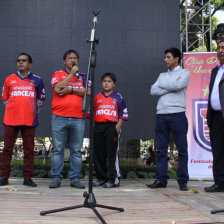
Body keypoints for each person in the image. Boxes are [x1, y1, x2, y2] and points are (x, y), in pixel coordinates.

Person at [146, 48, 190, 191]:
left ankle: (182, 180)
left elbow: (178, 85)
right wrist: (171, 86)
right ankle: (161, 180)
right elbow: (153, 90)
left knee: (182, 148)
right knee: (161, 150)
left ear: (176, 59)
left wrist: (164, 85)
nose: (165, 59)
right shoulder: (162, 75)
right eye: (165, 57)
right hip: (161, 114)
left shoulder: (185, 73)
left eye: (168, 57)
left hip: (177, 114)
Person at [0, 53, 45, 187]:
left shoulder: (37, 80)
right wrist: (15, 110)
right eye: (18, 60)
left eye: (23, 61)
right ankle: (4, 177)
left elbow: (40, 100)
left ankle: (27, 178)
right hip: (11, 120)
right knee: (7, 149)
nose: (20, 63)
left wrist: (30, 112)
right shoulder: (9, 79)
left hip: (29, 120)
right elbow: (5, 99)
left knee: (29, 150)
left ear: (30, 64)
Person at [49, 49, 91, 189]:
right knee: (58, 149)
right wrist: (71, 75)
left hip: (78, 117)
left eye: (75, 58)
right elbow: (57, 88)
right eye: (70, 58)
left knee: (76, 150)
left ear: (78, 60)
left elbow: (88, 91)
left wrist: (70, 90)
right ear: (65, 61)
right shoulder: (57, 74)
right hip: (59, 116)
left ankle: (74, 179)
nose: (73, 60)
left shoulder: (84, 76)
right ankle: (56, 178)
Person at [93, 72, 128, 188]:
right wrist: (95, 126)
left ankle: (114, 179)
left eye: (109, 81)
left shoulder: (118, 96)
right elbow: (92, 113)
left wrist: (117, 127)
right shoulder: (97, 97)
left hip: (112, 127)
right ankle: (101, 178)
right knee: (99, 154)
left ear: (114, 84)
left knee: (112, 154)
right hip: (98, 127)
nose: (106, 83)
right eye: (104, 81)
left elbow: (123, 113)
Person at [204, 34, 224, 192]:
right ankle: (219, 183)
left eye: (223, 48)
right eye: (218, 48)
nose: (220, 51)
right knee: (217, 152)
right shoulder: (215, 70)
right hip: (216, 117)